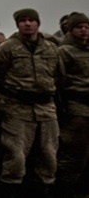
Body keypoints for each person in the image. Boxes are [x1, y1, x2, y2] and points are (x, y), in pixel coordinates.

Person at [0, 8, 65, 198]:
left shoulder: (51, 48)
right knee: (16, 154)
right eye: (23, 21)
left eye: (32, 20)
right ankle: (11, 189)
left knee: (49, 153)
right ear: (17, 24)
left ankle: (44, 188)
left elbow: (59, 76)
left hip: (46, 108)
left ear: (38, 23)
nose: (28, 24)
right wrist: (7, 97)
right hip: (17, 108)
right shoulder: (7, 48)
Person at [56, 11, 89, 198]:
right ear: (70, 30)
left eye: (86, 27)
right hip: (76, 108)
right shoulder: (64, 51)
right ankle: (63, 190)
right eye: (79, 27)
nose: (84, 31)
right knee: (74, 154)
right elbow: (59, 80)